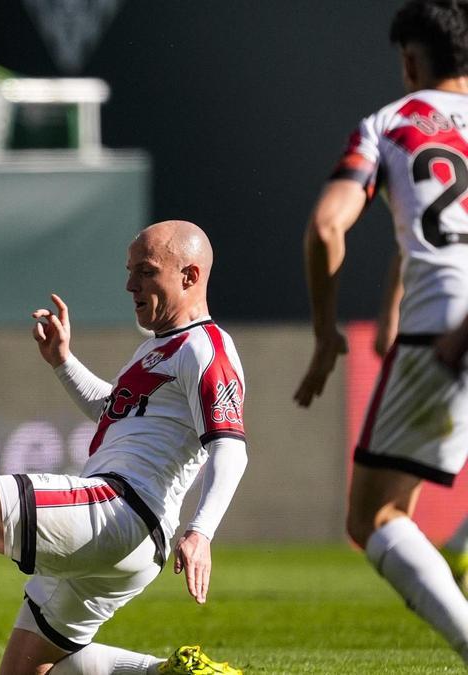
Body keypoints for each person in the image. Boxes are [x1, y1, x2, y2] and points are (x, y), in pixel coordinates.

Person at [0, 221, 246, 675]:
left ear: (190, 275)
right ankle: (168, 672)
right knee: (27, 672)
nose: (130, 285)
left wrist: (202, 531)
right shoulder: (165, 347)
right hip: (135, 538)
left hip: (122, 509)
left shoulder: (206, 347)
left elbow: (231, 448)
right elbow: (113, 411)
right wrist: (63, 362)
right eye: (129, 272)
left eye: (145, 271)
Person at [293, 0, 468, 663]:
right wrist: (391, 303)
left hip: (443, 332)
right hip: (439, 320)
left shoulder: (390, 125)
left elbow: (327, 227)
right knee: (403, 502)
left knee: (373, 517)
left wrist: (323, 332)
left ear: (411, 60)